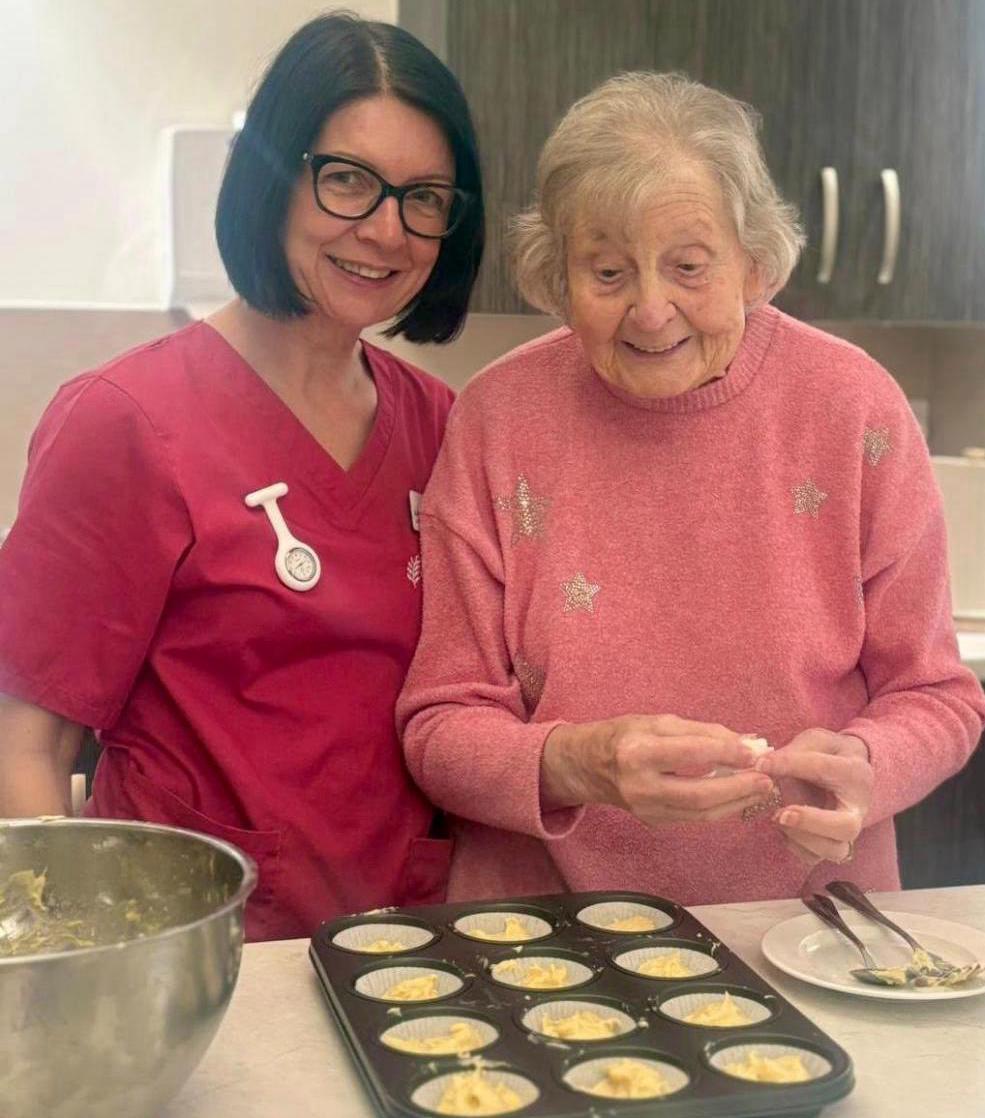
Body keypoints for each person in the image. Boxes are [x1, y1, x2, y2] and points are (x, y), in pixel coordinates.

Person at [396, 72, 985, 906]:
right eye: (606, 272)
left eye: (688, 266)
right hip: (543, 935)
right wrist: (579, 764)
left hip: (809, 923)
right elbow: (437, 725)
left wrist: (866, 769)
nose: (649, 310)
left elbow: (935, 695)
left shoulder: (853, 408)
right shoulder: (498, 419)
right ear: (556, 277)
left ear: (753, 264)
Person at [0, 12, 484, 940]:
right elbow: (27, 744)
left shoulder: (441, 426)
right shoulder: (127, 421)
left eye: (424, 196)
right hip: (189, 945)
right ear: (271, 178)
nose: (385, 230)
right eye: (346, 180)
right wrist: (78, 964)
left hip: (408, 945)